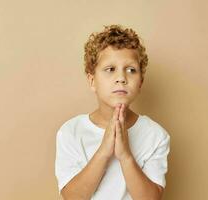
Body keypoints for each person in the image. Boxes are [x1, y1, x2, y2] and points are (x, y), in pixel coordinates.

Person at [55, 24, 170, 200]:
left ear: (140, 82)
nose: (121, 78)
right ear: (92, 80)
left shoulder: (156, 135)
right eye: (110, 69)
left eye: (131, 70)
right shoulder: (70, 132)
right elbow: (72, 197)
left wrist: (125, 155)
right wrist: (104, 151)